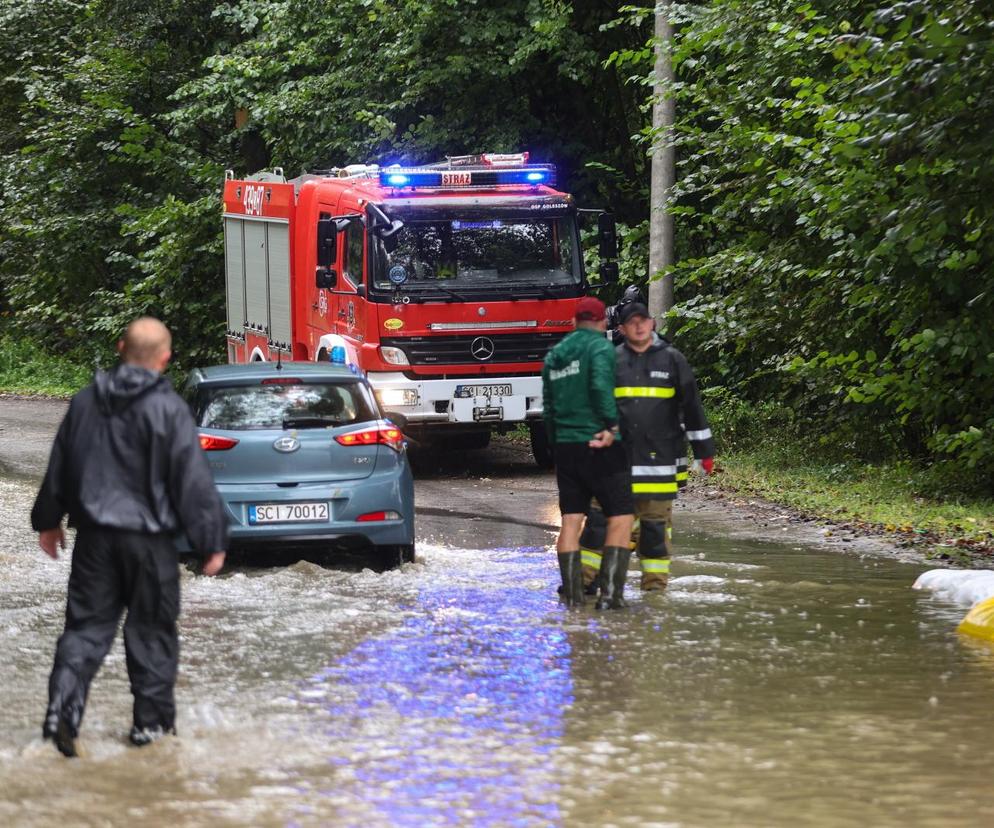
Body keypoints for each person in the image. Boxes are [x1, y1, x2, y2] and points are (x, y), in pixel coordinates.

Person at [32, 317, 228, 757]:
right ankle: (150, 731)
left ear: (121, 347)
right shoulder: (170, 408)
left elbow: (61, 463)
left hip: (95, 542)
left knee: (84, 630)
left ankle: (61, 713)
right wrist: (211, 539)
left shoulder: (85, 403)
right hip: (151, 543)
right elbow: (191, 480)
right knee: (152, 633)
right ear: (165, 358)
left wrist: (48, 521)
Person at [580, 302, 715, 592]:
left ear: (652, 323)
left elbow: (692, 408)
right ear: (622, 328)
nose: (639, 326)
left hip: (659, 465)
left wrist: (704, 452)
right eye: (632, 322)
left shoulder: (672, 361)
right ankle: (583, 584)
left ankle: (654, 593)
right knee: (597, 527)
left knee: (654, 532)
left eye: (644, 321)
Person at [541, 296, 634, 609]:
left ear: (572, 322)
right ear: (602, 322)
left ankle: (573, 595)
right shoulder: (599, 347)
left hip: (565, 448)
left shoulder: (555, 355)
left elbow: (549, 406)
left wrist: (556, 445)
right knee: (621, 517)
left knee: (571, 520)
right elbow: (599, 387)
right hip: (597, 443)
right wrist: (613, 425)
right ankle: (610, 596)